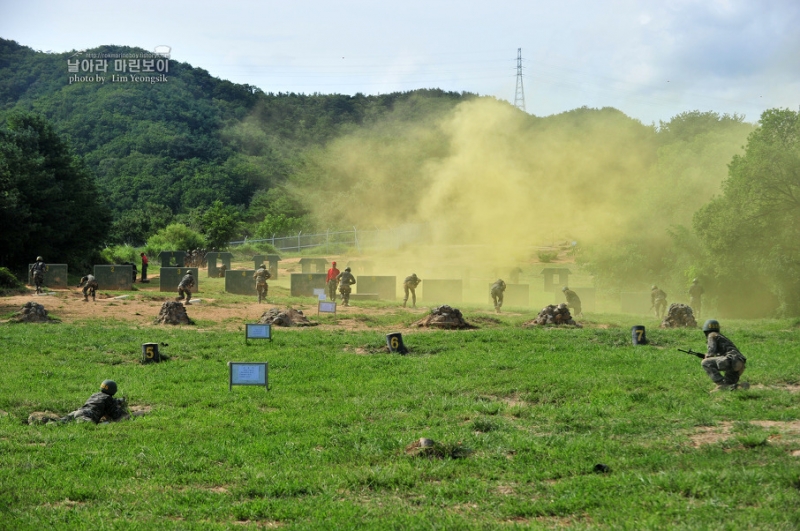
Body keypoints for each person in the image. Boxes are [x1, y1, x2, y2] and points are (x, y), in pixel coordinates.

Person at [700, 319, 749, 392]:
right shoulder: (721, 336)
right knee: (729, 384)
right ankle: (741, 386)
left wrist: (707, 356)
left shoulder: (712, 335)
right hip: (740, 363)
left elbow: (711, 351)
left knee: (705, 363)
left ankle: (720, 383)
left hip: (730, 360)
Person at [60, 380, 129, 423]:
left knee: (60, 422)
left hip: (78, 412)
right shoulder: (108, 399)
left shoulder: (95, 395)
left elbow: (101, 401)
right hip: (87, 416)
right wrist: (121, 408)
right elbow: (115, 415)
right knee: (86, 425)